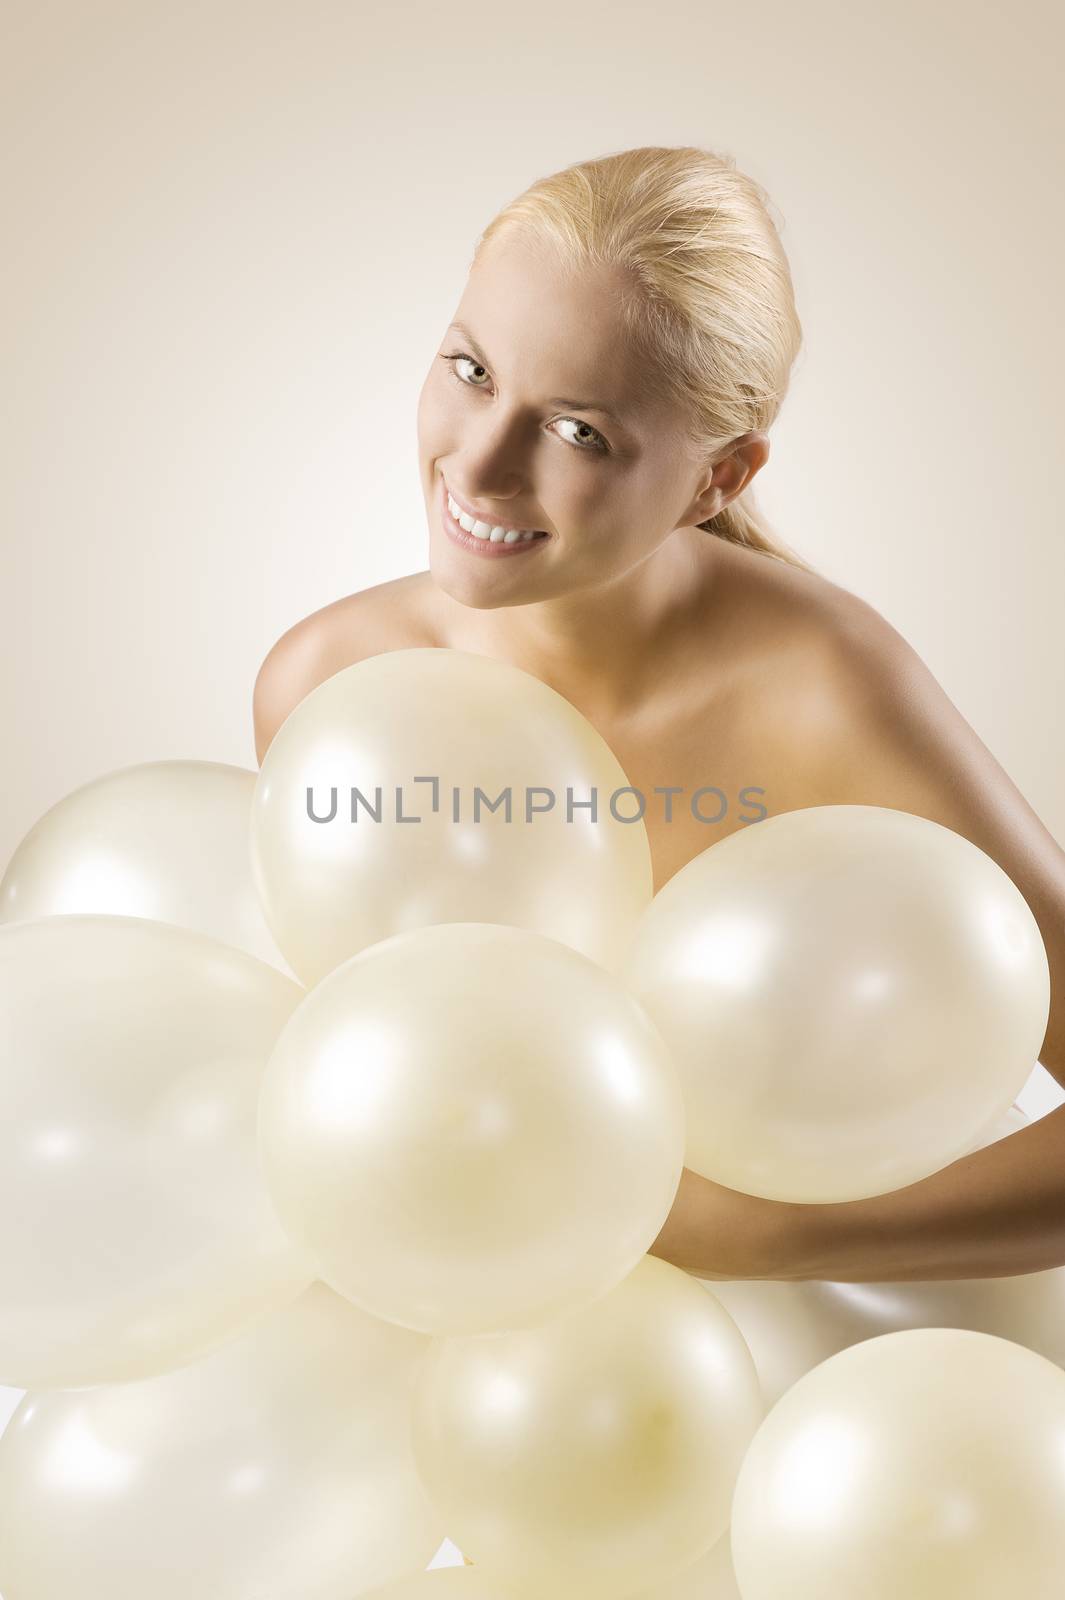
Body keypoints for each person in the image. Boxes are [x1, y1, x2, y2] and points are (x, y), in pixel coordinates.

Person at [252, 145, 1065, 1287]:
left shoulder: (822, 686)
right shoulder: (329, 687)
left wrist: (762, 1240)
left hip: (822, 1378)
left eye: (578, 430)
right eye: (471, 370)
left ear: (717, 480)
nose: (480, 469)